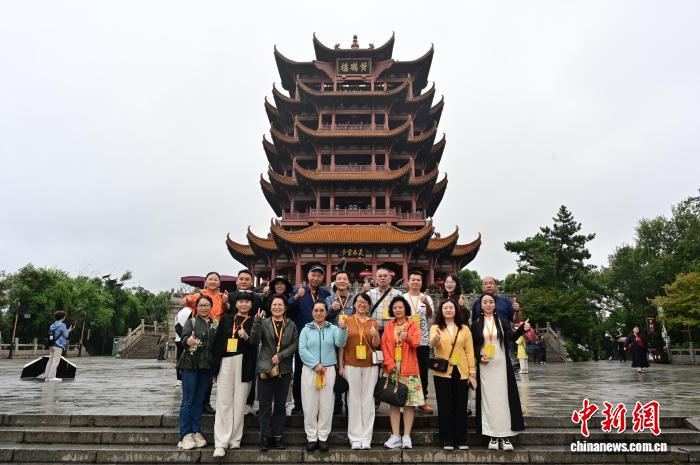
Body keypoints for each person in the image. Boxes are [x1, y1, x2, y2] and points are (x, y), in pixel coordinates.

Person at [472, 293, 529, 451]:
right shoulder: (476, 324)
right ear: (481, 305)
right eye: (485, 302)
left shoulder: (502, 321)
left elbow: (511, 337)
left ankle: (505, 435)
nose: (488, 304)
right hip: (485, 366)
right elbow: (472, 346)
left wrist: (522, 329)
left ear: (495, 304)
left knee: (503, 399)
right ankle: (492, 434)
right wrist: (479, 357)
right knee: (488, 400)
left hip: (502, 366)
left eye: (491, 302)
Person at [210, 290, 260, 457]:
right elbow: (217, 344)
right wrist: (215, 369)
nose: (243, 304)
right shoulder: (226, 320)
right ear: (236, 304)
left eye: (247, 302)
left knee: (239, 403)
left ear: (251, 305)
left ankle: (235, 439)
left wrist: (246, 336)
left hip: (244, 363)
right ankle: (220, 442)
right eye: (241, 301)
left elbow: (255, 343)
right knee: (223, 402)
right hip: (225, 361)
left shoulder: (254, 321)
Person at [249, 294, 299, 451]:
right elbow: (253, 341)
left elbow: (295, 344)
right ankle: (265, 437)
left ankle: (278, 437)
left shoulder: (291, 324)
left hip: (284, 369)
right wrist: (257, 322)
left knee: (280, 405)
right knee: (264, 406)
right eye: (274, 305)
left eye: (280, 304)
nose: (277, 307)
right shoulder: (264, 323)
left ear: (285, 307)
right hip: (266, 368)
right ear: (270, 307)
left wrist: (281, 356)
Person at [298, 300, 348, 452]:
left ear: (326, 313)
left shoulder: (333, 328)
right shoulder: (306, 330)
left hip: (328, 370)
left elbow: (340, 343)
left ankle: (323, 437)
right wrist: (315, 364)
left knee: (326, 405)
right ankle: (311, 437)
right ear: (312, 312)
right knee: (309, 405)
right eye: (316, 310)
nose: (318, 313)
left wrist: (343, 329)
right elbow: (302, 350)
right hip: (310, 370)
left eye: (322, 310)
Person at [430, 299, 477, 450]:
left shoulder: (464, 329)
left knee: (461, 406)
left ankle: (461, 439)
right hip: (442, 372)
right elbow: (432, 343)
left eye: (451, 307)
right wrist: (436, 339)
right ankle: (447, 439)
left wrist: (472, 372)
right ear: (441, 311)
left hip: (461, 371)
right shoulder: (436, 327)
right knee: (445, 406)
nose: (448, 310)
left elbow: (469, 351)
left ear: (456, 310)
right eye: (445, 308)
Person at [338, 292, 380, 449]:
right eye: (359, 301)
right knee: (353, 400)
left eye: (365, 302)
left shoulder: (373, 322)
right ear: (354, 304)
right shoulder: (347, 320)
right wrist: (340, 365)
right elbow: (342, 344)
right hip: (351, 364)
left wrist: (375, 336)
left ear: (369, 306)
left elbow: (376, 344)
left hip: (370, 365)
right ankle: (355, 437)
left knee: (368, 401)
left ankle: (366, 437)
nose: (362, 304)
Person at [381, 296, 423, 449]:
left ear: (406, 308)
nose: (397, 310)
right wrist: (390, 364)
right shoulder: (389, 326)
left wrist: (408, 338)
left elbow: (417, 342)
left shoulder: (413, 324)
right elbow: (384, 346)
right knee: (394, 402)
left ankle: (406, 436)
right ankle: (395, 435)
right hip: (393, 368)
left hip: (409, 367)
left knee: (409, 404)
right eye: (395, 308)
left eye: (400, 307)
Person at [288, 265, 331, 415]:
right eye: (313, 275)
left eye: (319, 276)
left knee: (321, 369)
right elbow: (288, 310)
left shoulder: (325, 293)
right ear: (308, 276)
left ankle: (318, 402)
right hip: (303, 337)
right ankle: (298, 403)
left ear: (322, 278)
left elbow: (329, 314)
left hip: (321, 338)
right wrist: (296, 298)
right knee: (300, 371)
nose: (316, 278)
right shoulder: (298, 291)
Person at [176, 295, 217, 450]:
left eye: (207, 305)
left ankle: (196, 431)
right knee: (188, 400)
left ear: (211, 307)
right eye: (201, 305)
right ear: (196, 307)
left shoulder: (215, 324)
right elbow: (184, 338)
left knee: (199, 401)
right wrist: (188, 341)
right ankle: (185, 434)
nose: (204, 308)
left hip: (206, 367)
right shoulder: (191, 322)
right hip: (190, 365)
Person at [403, 270, 434, 414]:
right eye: (413, 279)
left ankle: (422, 400)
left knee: (422, 370)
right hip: (407, 339)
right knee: (406, 370)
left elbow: (430, 316)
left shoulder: (426, 298)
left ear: (421, 282)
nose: (415, 282)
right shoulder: (403, 298)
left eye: (418, 280)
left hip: (423, 340)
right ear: (408, 282)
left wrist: (426, 303)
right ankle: (405, 398)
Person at [364, 267, 403, 337]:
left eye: (385, 276)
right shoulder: (370, 293)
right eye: (380, 276)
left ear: (390, 279)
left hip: (392, 331)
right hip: (375, 331)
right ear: (376, 279)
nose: (382, 278)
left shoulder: (398, 294)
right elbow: (359, 305)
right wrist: (363, 291)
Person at [43, 310, 74, 382]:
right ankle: (52, 377)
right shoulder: (62, 325)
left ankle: (46, 377)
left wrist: (68, 329)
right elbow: (66, 335)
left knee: (50, 360)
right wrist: (69, 330)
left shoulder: (52, 325)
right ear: (63, 317)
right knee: (55, 361)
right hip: (58, 345)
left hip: (51, 344)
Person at [174, 304, 195, 386]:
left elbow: (177, 326)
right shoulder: (191, 312)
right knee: (189, 359)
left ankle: (179, 379)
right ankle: (188, 377)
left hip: (178, 339)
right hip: (187, 339)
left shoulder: (178, 313)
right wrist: (185, 338)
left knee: (179, 359)